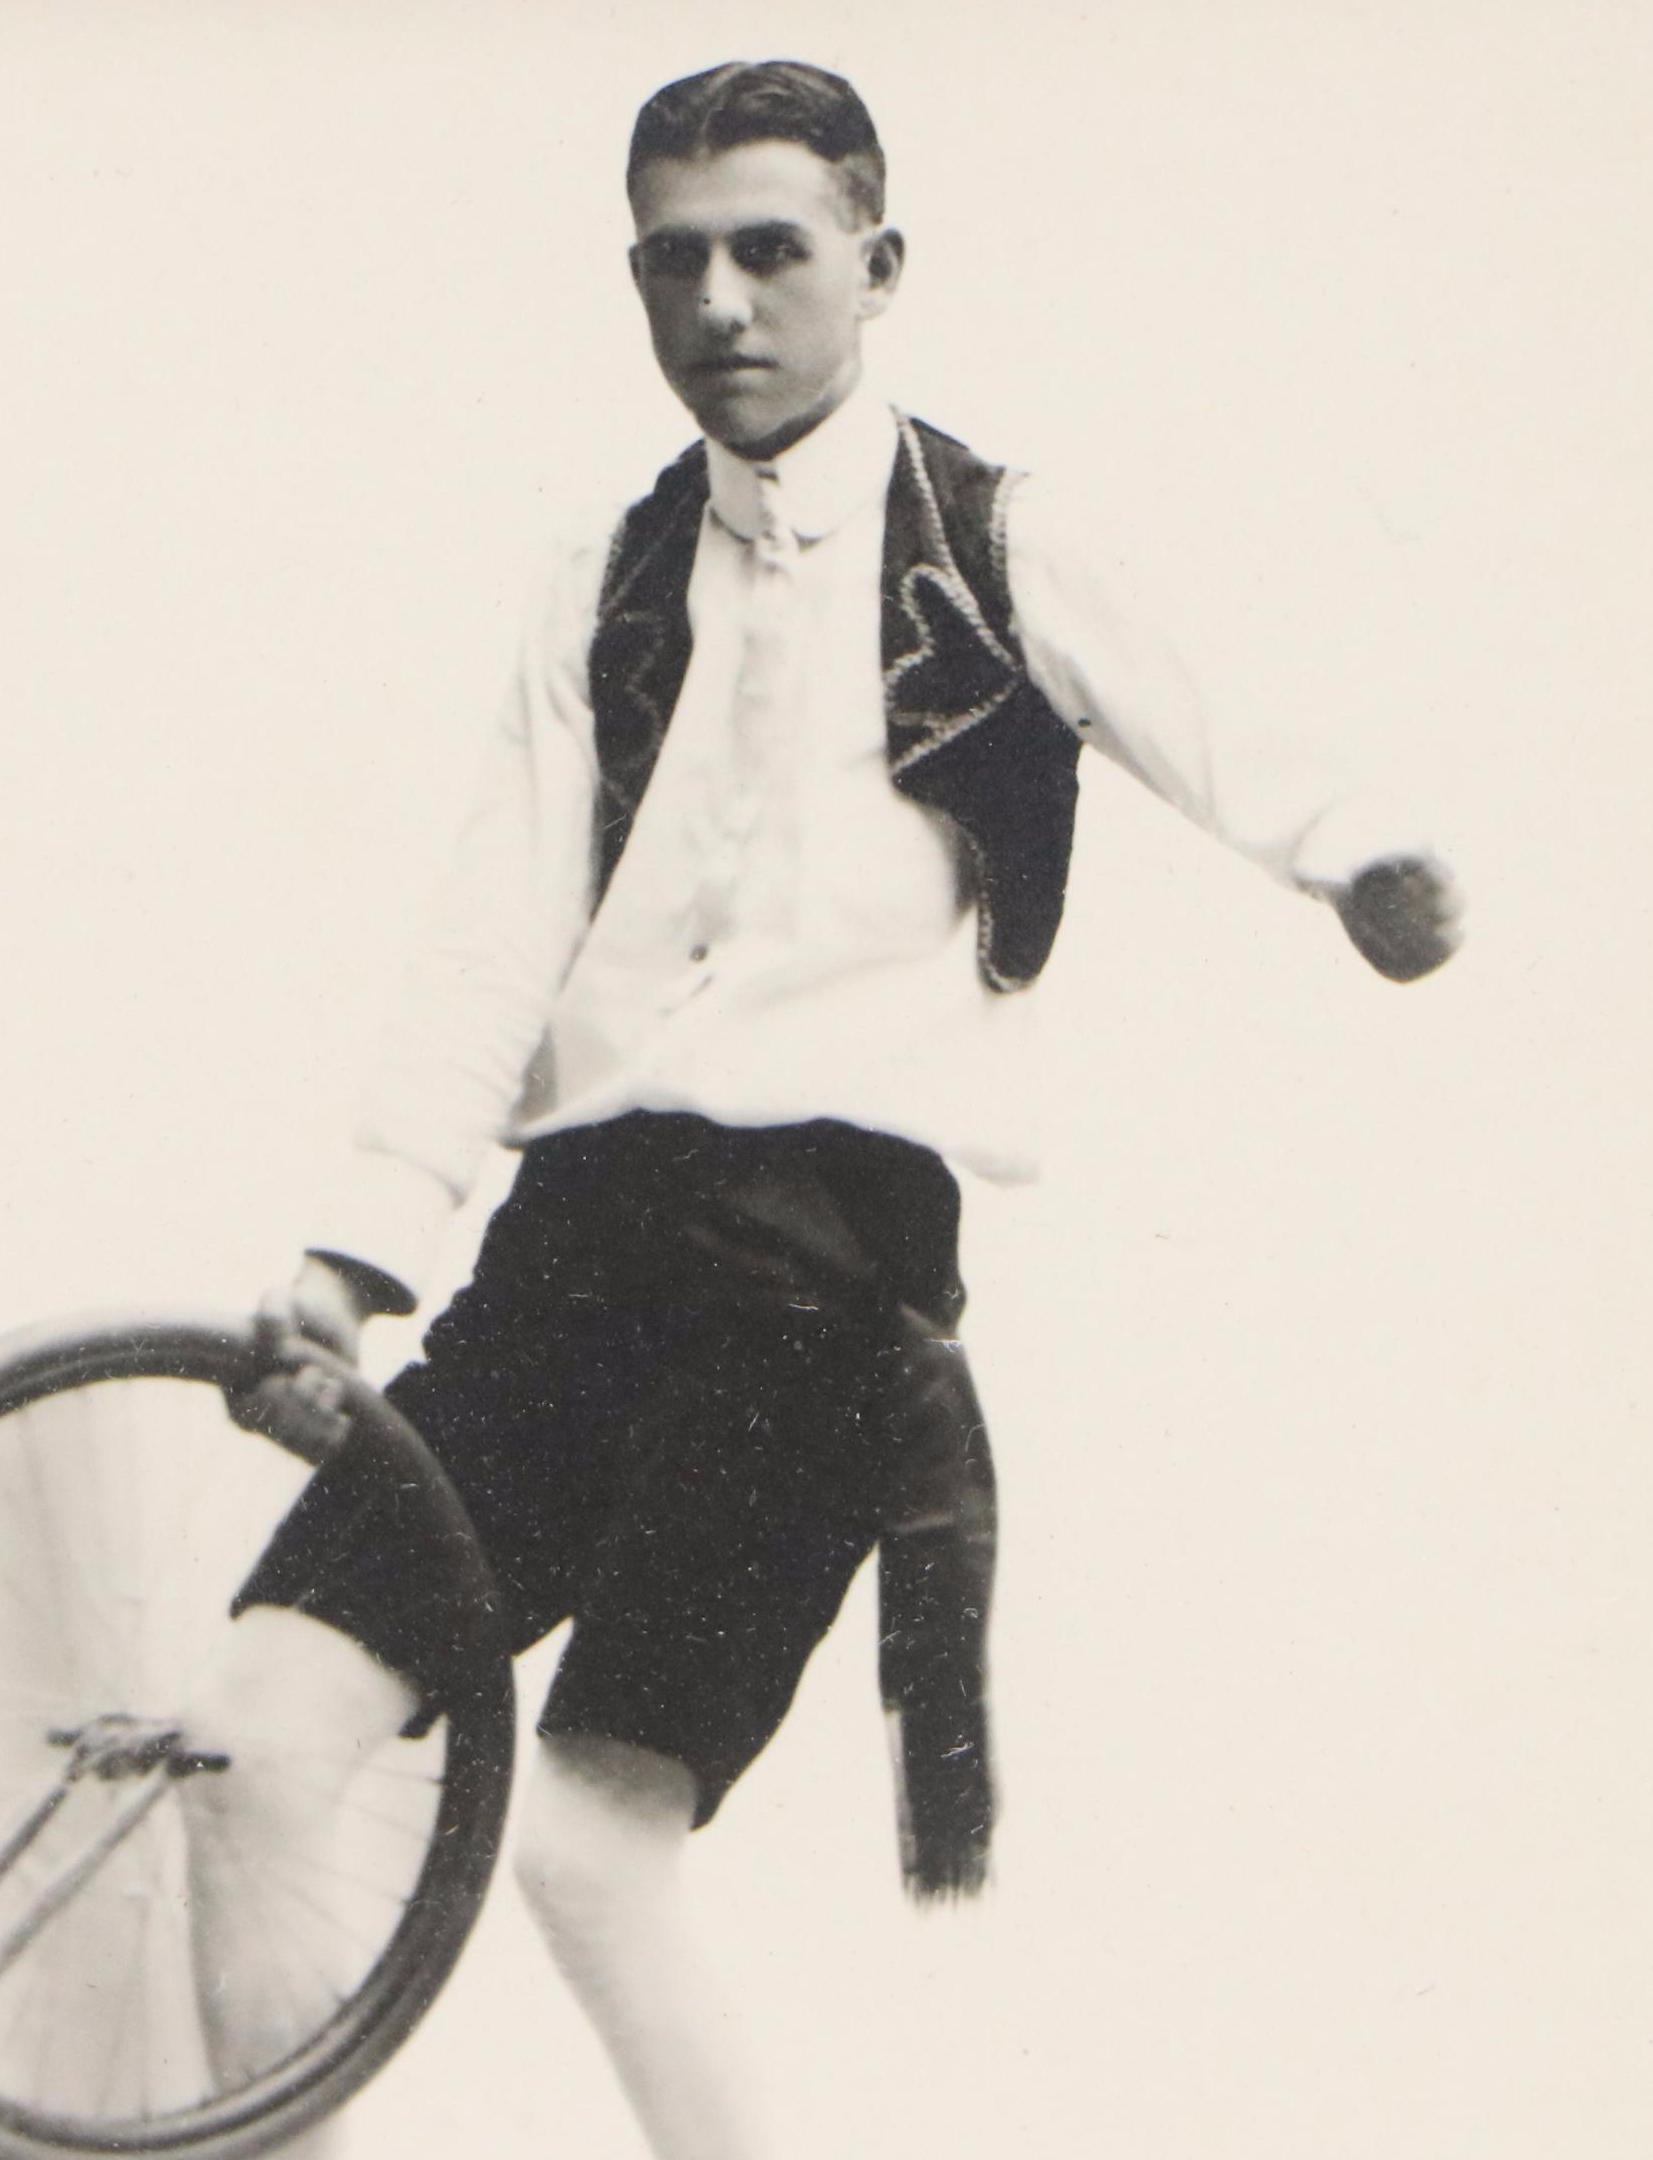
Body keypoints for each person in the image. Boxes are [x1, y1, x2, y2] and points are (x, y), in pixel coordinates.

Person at [175, 59, 1463, 2160]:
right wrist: (353, 1249)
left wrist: (1368, 866)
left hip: (814, 1298)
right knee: (245, 1744)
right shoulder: (596, 574)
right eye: (671, 260)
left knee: (592, 1853)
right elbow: (494, 921)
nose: (723, 304)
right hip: (570, 1257)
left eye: (771, 251)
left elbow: (1240, 724)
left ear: (879, 266)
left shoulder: (999, 539)